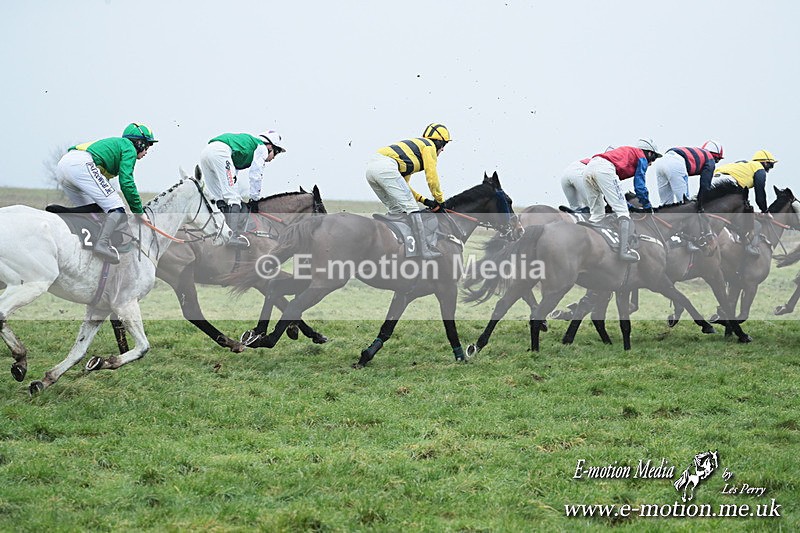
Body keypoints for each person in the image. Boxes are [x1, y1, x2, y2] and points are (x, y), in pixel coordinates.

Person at [55, 123, 157, 264]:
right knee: (117, 207)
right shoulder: (129, 148)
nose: (147, 151)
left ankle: (69, 227)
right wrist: (138, 211)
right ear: (139, 143)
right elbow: (127, 182)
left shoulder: (116, 148)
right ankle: (102, 244)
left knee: (93, 212)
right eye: (147, 146)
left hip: (63, 167)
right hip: (80, 165)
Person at [366, 123, 451, 259]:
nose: (443, 150)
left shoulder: (411, 153)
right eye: (444, 145)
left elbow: (404, 186)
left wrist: (425, 200)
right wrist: (440, 200)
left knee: (397, 210)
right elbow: (432, 177)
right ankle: (424, 250)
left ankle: (393, 247)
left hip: (371, 170)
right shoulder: (429, 146)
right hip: (386, 168)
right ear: (439, 142)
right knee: (412, 208)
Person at [199, 130, 286, 247]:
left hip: (206, 153)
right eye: (276, 152)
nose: (274, 158)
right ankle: (232, 236)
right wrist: (254, 199)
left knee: (218, 197)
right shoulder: (261, 148)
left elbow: (232, 174)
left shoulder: (248, 148)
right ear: (270, 146)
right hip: (220, 153)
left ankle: (219, 231)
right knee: (233, 198)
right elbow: (256, 175)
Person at [583, 139, 661, 262]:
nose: (651, 163)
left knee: (597, 214)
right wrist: (647, 205)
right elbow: (639, 186)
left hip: (589, 168)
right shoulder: (641, 156)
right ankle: (624, 251)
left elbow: (610, 194)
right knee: (623, 212)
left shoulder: (628, 154)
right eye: (654, 158)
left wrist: (629, 205)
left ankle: (589, 245)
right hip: (604, 169)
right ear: (649, 153)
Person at [712, 149, 778, 256]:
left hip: (714, 178)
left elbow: (743, 196)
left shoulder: (744, 165)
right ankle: (749, 246)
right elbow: (760, 193)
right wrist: (765, 211)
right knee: (749, 220)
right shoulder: (759, 169)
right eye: (771, 165)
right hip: (729, 183)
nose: (769, 169)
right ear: (765, 163)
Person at [654, 140, 724, 206]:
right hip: (676, 163)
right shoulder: (710, 159)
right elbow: (705, 185)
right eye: (717, 161)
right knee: (685, 204)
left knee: (665, 204)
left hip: (661, 162)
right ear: (716, 157)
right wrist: (700, 204)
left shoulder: (699, 153)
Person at [560, 146, 615, 211]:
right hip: (580, 174)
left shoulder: (596, 159)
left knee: (576, 208)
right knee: (598, 208)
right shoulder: (606, 166)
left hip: (565, 175)